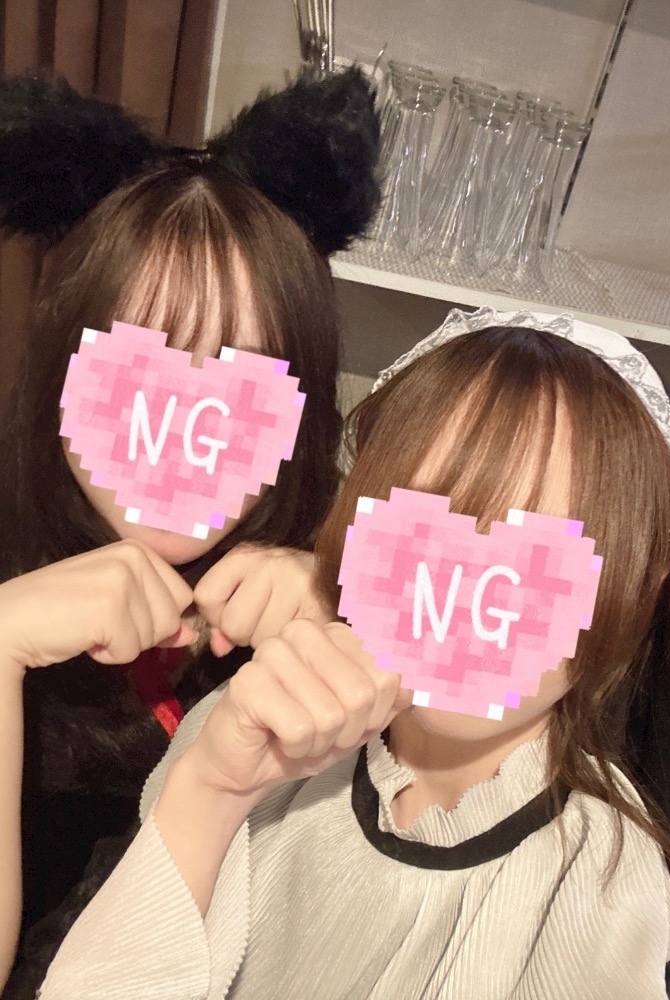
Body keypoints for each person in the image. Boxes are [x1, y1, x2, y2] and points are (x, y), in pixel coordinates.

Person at [38, 310, 670, 999]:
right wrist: (210, 793)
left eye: (537, 557)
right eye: (428, 525)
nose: (467, 589)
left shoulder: (604, 893)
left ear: (642, 582)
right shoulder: (252, 727)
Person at [0, 68, 380, 994]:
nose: (185, 421)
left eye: (239, 381)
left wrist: (351, 623)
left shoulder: (346, 557)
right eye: (143, 364)